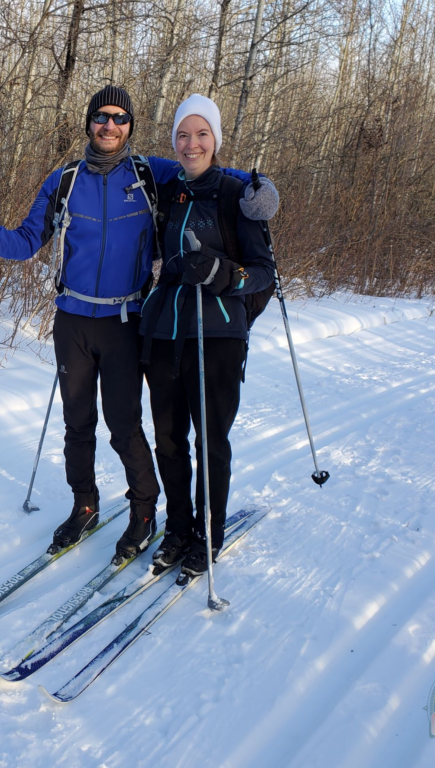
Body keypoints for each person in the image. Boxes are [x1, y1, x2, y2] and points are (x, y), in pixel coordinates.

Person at [0, 85, 278, 558]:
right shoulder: (63, 180)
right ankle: (84, 504)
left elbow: (204, 170)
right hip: (73, 320)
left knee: (124, 425)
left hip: (126, 321)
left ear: (130, 126)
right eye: (101, 116)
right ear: (89, 122)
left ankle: (143, 512)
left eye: (120, 118)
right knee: (76, 423)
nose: (110, 125)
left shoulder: (151, 173)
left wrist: (257, 188)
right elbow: (26, 241)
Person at [141, 94, 275, 576]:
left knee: (210, 440)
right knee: (168, 440)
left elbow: (264, 273)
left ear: (215, 140)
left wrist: (225, 274)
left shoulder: (235, 194)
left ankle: (209, 532)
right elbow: (121, 163)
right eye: (182, 134)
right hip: (165, 333)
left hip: (218, 336)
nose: (191, 143)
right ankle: (177, 529)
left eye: (201, 134)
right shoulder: (167, 189)